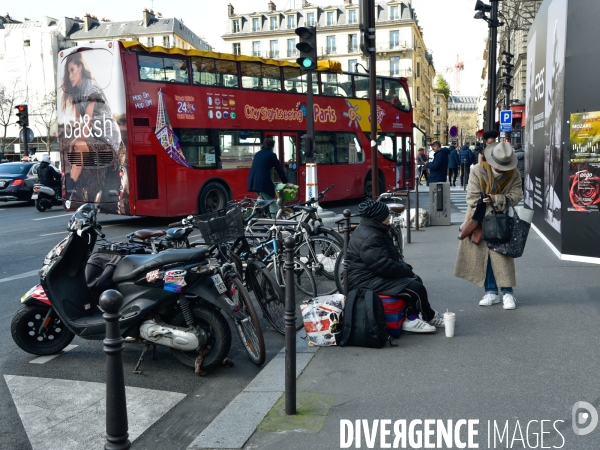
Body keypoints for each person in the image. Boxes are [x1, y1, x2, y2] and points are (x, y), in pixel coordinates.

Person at [347, 199, 445, 332]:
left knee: (416, 280)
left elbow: (386, 261)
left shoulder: (373, 228)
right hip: (363, 279)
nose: (389, 218)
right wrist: (405, 270)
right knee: (415, 287)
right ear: (379, 217)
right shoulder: (370, 237)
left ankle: (412, 317)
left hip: (371, 273)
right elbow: (384, 267)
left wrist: (405, 269)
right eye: (387, 215)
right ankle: (429, 316)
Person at [454, 142, 523, 310]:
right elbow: (471, 198)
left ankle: (507, 292)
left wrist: (495, 199)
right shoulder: (477, 170)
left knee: (502, 255)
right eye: (498, 165)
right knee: (485, 256)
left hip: (502, 220)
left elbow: (517, 195)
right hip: (479, 220)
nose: (500, 169)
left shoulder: (514, 173)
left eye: (504, 166)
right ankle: (490, 291)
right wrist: (489, 201)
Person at [60, 52, 129, 214]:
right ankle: (73, 185)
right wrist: (74, 141)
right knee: (77, 145)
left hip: (109, 140)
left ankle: (71, 183)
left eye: (72, 70)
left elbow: (88, 119)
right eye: (68, 72)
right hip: (95, 138)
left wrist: (77, 142)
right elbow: (78, 122)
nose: (70, 75)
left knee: (80, 144)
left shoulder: (92, 88)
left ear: (80, 68)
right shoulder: (75, 93)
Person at [247, 138, 293, 217]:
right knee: (272, 203)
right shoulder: (271, 155)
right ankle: (274, 223)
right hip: (263, 183)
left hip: (252, 182)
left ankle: (254, 220)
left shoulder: (257, 154)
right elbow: (279, 170)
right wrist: (286, 183)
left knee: (261, 201)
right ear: (272, 147)